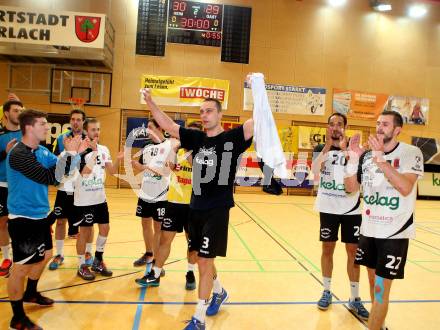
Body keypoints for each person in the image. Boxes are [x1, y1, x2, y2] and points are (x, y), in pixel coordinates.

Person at [141, 88, 253, 330]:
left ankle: (199, 318)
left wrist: (257, 90)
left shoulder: (232, 139)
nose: (204, 115)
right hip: (195, 208)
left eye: (209, 111)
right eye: (201, 111)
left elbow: (257, 121)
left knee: (203, 261)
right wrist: (151, 103)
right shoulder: (196, 139)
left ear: (220, 115)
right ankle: (220, 292)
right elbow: (169, 125)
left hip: (218, 208)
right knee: (204, 258)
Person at [6, 109, 89, 330]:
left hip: (40, 215)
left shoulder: (41, 151)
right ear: (29, 127)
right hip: (24, 218)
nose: (46, 127)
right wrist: (70, 155)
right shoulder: (19, 154)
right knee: (21, 268)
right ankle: (17, 317)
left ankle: (30, 293)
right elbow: (51, 178)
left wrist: (75, 154)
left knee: (47, 255)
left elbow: (63, 169)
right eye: (43, 124)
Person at [344, 111, 424, 330]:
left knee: (380, 289)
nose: (379, 127)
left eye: (385, 124)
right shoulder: (367, 156)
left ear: (397, 130)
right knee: (372, 283)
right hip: (369, 231)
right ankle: (380, 325)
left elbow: (406, 187)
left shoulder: (411, 152)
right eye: (378, 123)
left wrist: (381, 160)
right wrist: (352, 160)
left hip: (394, 234)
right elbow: (350, 188)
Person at [311, 113, 369, 319]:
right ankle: (326, 291)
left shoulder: (355, 151)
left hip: (351, 209)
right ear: (327, 127)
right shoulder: (320, 149)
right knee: (327, 248)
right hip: (328, 208)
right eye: (332, 124)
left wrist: (347, 153)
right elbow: (315, 174)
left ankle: (354, 298)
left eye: (339, 124)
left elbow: (357, 183)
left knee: (353, 252)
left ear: (345, 127)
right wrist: (327, 147)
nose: (335, 127)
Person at [135, 121, 201, 290]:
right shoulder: (176, 151)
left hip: (193, 205)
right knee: (165, 240)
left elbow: (195, 165)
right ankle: (155, 274)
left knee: (192, 244)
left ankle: (190, 272)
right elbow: (168, 168)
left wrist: (187, 149)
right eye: (189, 134)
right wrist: (175, 148)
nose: (190, 137)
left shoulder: (203, 154)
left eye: (194, 134)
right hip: (173, 203)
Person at [74, 119, 122, 280]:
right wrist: (94, 153)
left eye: (98, 129)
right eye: (93, 129)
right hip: (84, 200)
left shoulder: (104, 149)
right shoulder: (80, 150)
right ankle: (81, 265)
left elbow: (112, 171)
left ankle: (98, 260)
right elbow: (84, 174)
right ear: (86, 132)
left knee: (105, 228)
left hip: (100, 198)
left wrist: (118, 159)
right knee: (84, 233)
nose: (96, 132)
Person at [48, 109, 95, 272]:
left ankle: (87, 253)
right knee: (61, 221)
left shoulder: (89, 140)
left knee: (86, 225)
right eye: (73, 119)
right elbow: (54, 161)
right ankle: (59, 254)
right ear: (70, 121)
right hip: (64, 187)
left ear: (83, 122)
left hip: (83, 189)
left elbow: (92, 163)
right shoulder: (61, 139)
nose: (75, 122)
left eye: (79, 120)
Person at [132, 119, 173, 270]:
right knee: (145, 224)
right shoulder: (146, 146)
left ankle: (157, 261)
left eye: (150, 127)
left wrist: (142, 166)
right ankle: (148, 253)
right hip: (146, 193)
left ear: (160, 128)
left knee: (159, 228)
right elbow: (143, 169)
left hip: (161, 194)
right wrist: (137, 167)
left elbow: (166, 171)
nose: (148, 130)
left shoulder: (169, 146)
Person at [0, 100, 23, 277]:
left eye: (21, 110)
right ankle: (6, 258)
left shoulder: (26, 133)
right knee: (2, 223)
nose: (19, 113)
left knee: (19, 223)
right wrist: (5, 154)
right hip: (2, 185)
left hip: (21, 185)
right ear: (6, 113)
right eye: (16, 110)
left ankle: (19, 258)